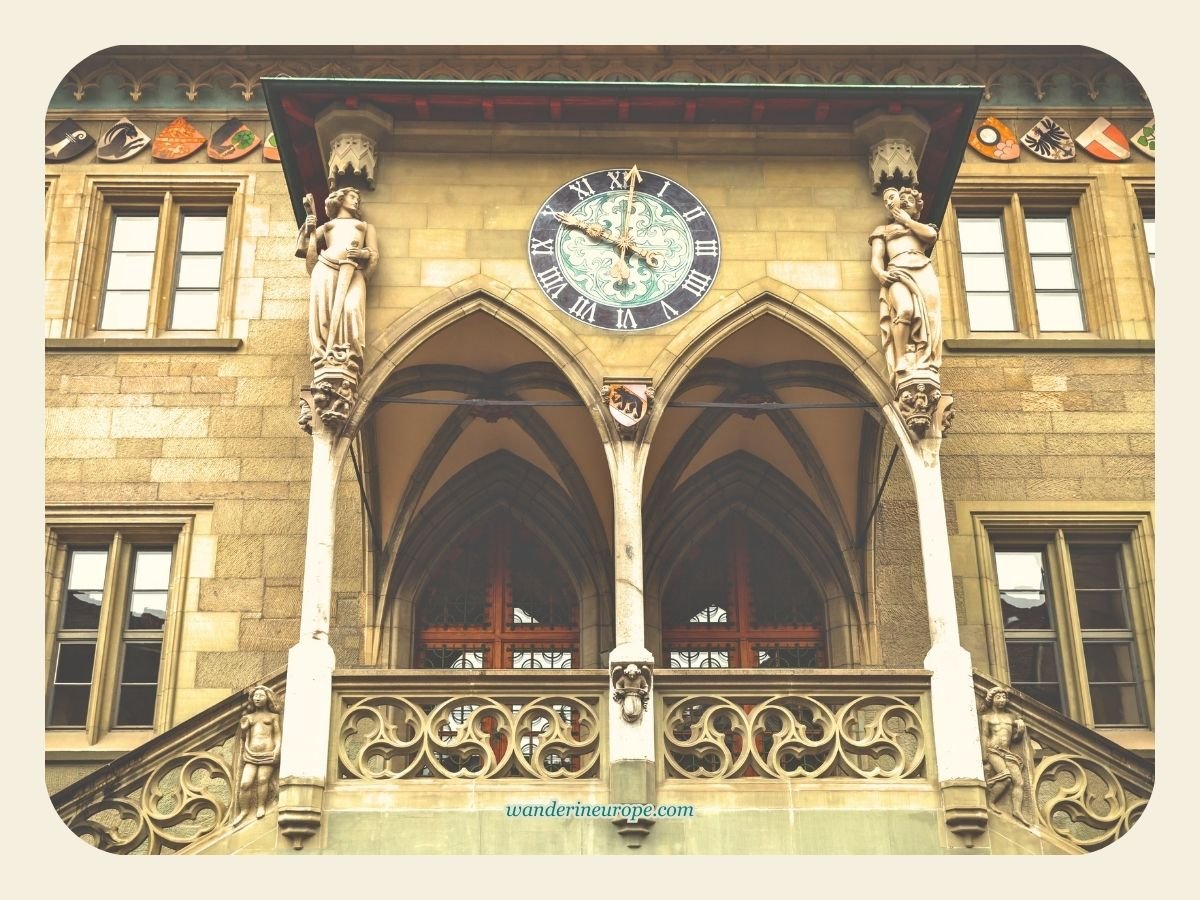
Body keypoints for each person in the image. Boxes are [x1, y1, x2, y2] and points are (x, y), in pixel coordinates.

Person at [296, 187, 378, 370]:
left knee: (352, 309)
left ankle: (349, 354)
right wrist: (308, 227)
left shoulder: (365, 226)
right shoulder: (327, 226)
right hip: (326, 267)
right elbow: (303, 248)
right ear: (340, 199)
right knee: (324, 313)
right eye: (352, 197)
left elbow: (374, 255)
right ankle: (325, 352)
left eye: (358, 198)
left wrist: (361, 254)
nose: (356, 201)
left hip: (353, 271)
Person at [869, 186, 942, 384]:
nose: (906, 201)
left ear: (917, 208)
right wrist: (880, 274)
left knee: (931, 315)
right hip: (897, 273)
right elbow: (876, 258)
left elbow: (930, 235)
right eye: (903, 198)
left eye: (911, 199)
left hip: (923, 269)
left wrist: (907, 221)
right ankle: (901, 358)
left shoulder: (920, 227)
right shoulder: (882, 231)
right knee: (905, 310)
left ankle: (925, 357)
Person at [980, 686, 1032, 826]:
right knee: (1006, 776)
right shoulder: (986, 717)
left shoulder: (1011, 717)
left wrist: (1020, 732)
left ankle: (1016, 811)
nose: (1002, 700)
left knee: (1019, 782)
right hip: (993, 750)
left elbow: (1014, 739)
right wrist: (985, 757)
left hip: (1008, 751)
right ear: (992, 700)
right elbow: (985, 736)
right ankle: (991, 801)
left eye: (1004, 697)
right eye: (998, 697)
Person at [233, 685, 282, 825]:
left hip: (268, 752)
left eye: (261, 696)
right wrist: (244, 728)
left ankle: (260, 805)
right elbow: (244, 737)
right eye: (255, 696)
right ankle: (244, 810)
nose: (258, 698)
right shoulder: (249, 717)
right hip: (251, 753)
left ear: (268, 698)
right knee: (245, 783)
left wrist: (277, 748)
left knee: (262, 780)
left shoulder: (273, 716)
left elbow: (277, 735)